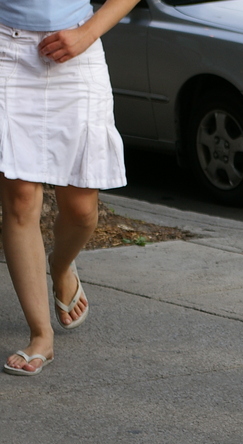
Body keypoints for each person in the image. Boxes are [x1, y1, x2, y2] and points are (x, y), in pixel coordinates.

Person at [1, 0, 139, 376]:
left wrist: (87, 33)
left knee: (81, 210)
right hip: (6, 50)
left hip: (76, 46)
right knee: (20, 200)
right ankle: (40, 335)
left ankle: (60, 266)